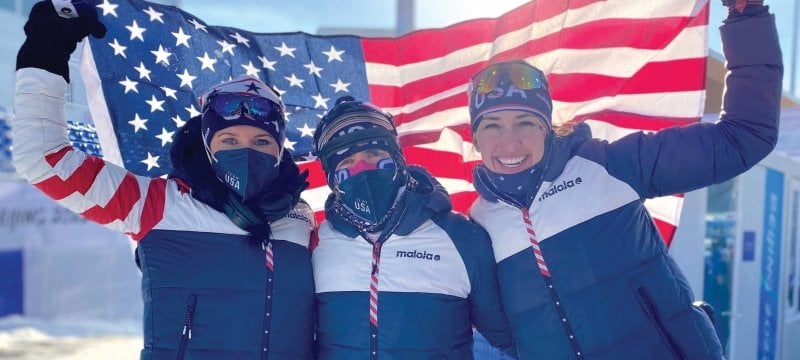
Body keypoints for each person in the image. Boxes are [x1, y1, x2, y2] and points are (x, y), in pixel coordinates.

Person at [465, 1, 781, 359]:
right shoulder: (479, 224)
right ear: (476, 139)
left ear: (547, 128)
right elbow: (503, 332)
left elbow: (743, 138)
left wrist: (746, 16)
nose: (510, 142)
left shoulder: (611, 165)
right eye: (492, 126)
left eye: (525, 122)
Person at [12, 2, 316, 359]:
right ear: (206, 144)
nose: (246, 151)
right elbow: (43, 160)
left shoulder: (302, 217)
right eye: (229, 141)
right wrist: (46, 50)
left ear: (281, 151)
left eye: (262, 142)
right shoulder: (156, 203)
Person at [311, 96, 518, 359]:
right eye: (347, 162)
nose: (362, 167)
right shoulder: (318, 242)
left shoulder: (461, 236)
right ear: (331, 175)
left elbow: (510, 339)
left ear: (397, 157)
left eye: (374, 154)